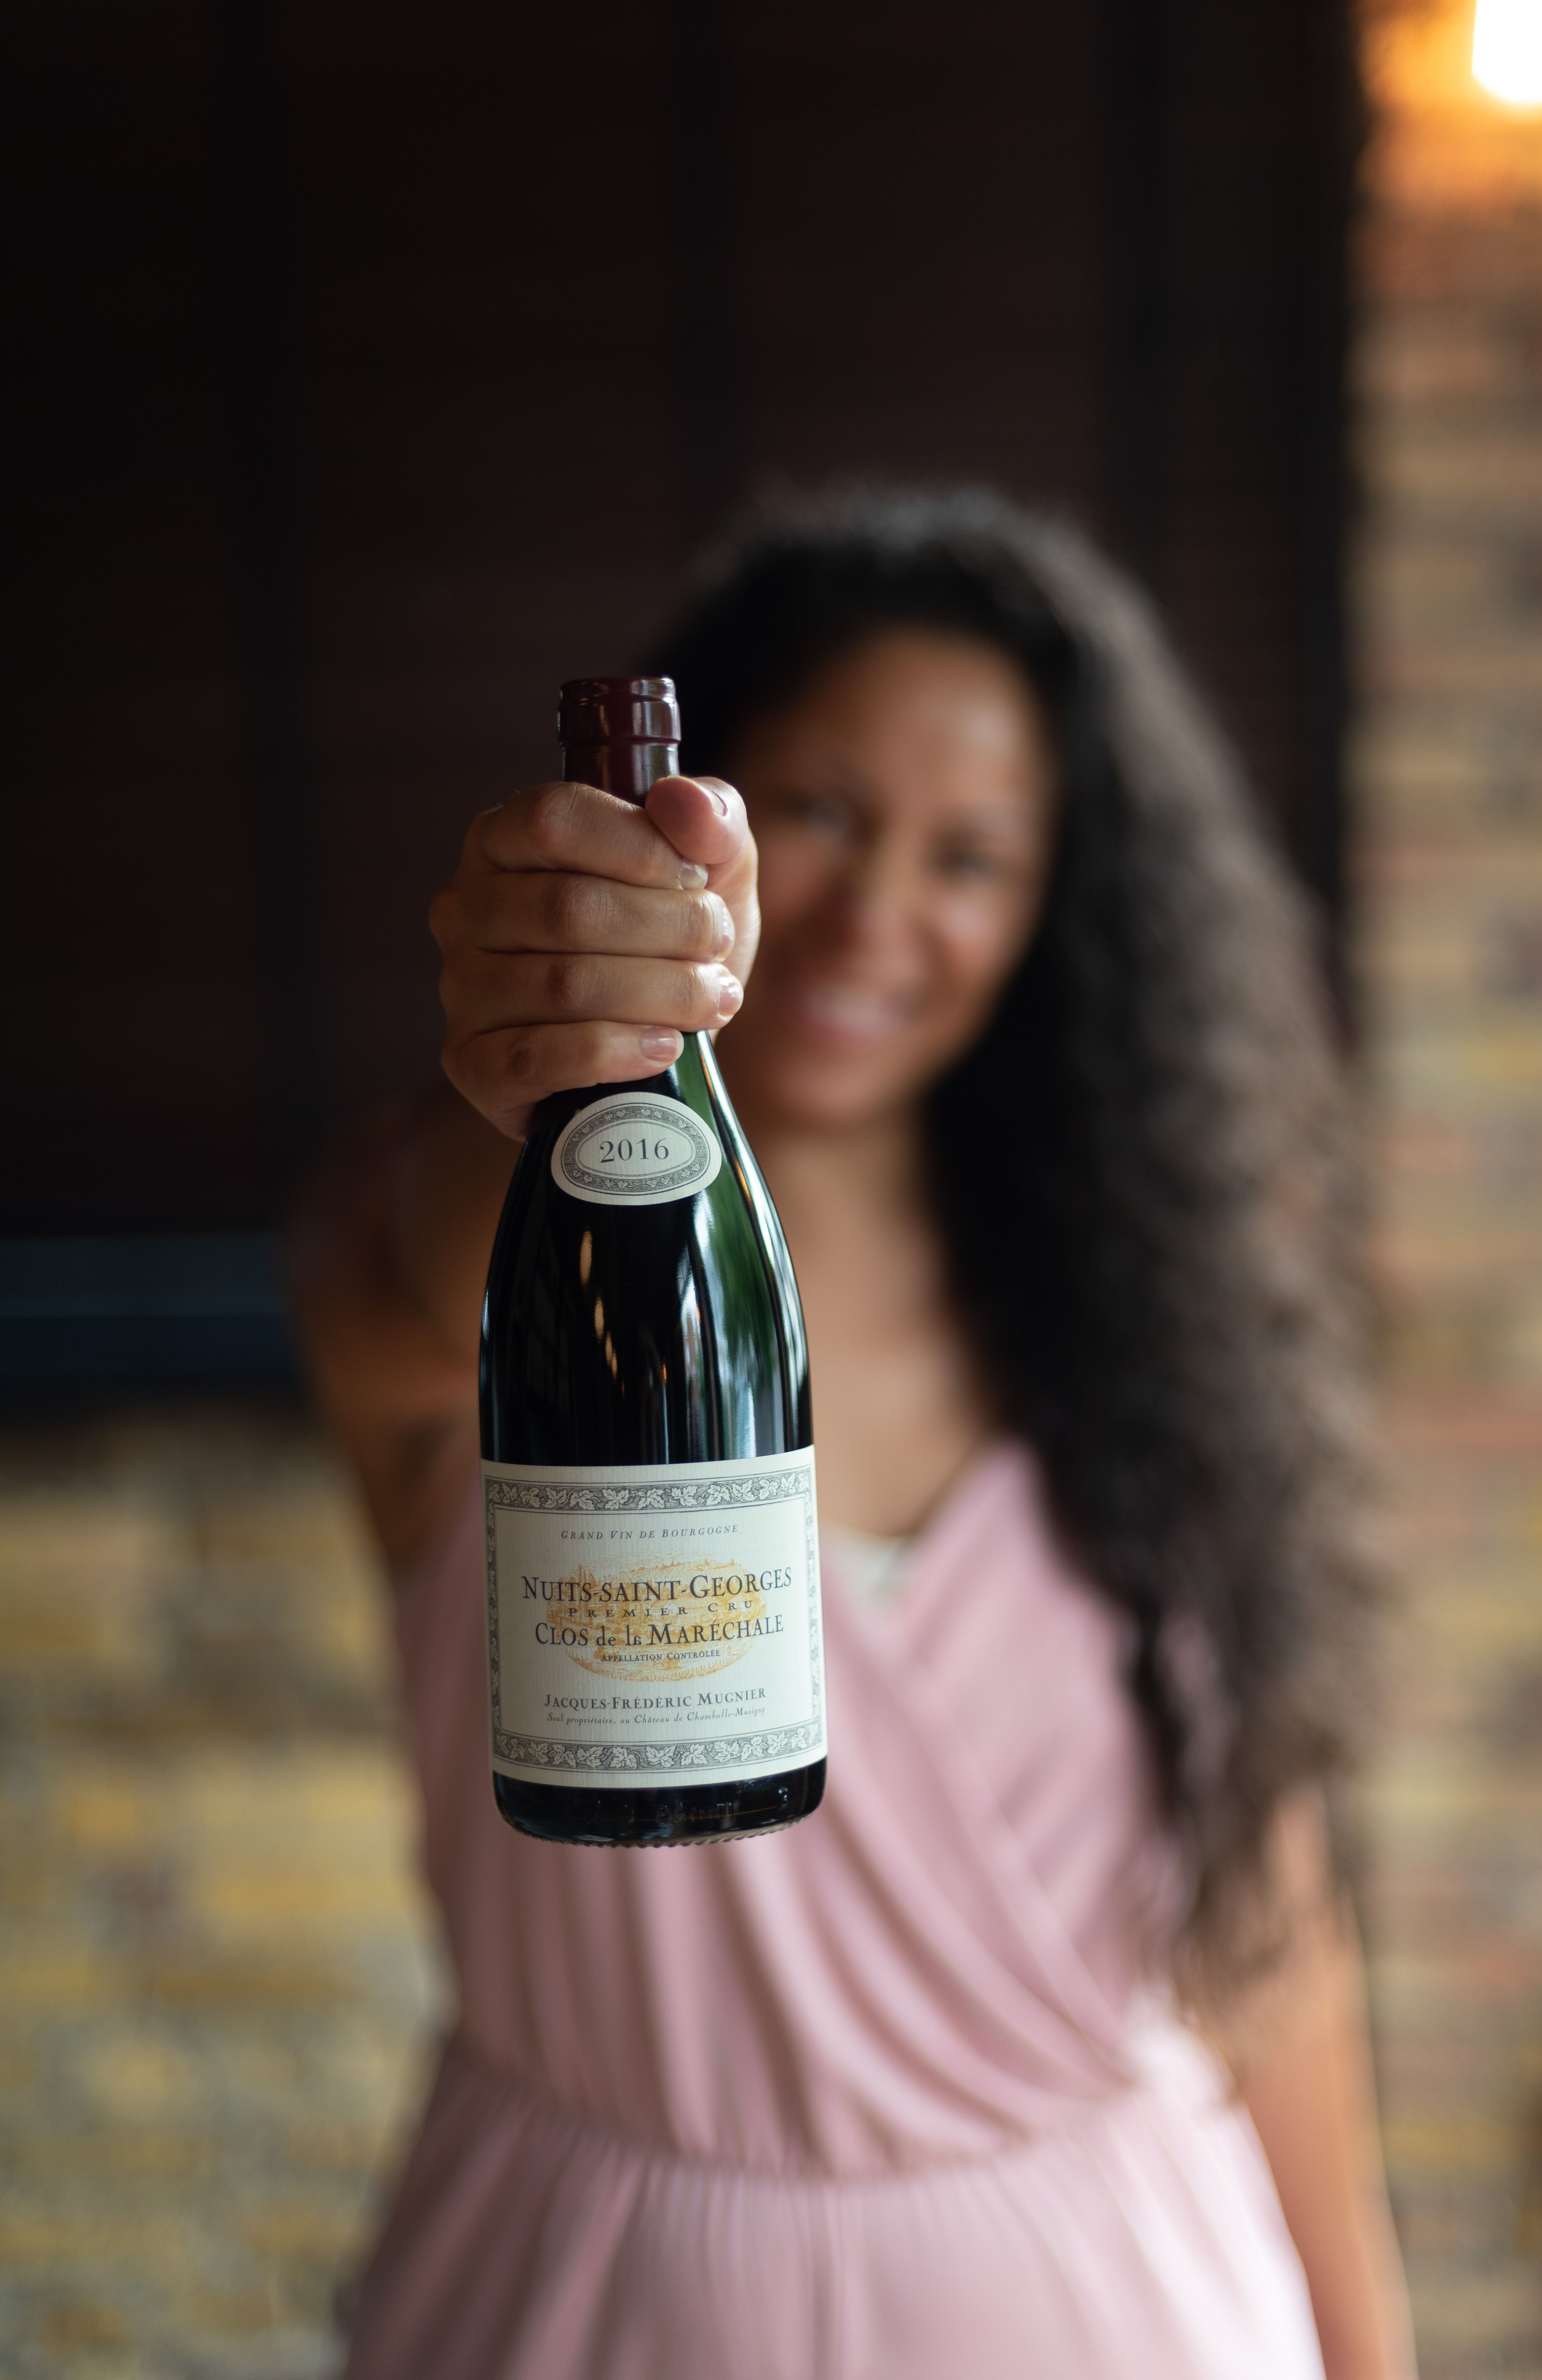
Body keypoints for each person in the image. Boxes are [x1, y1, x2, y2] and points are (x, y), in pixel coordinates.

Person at [292, 487, 1417, 2380]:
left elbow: (1264, 1934)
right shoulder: (492, 1237)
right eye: (817, 813)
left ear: (1062, 912)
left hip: (1138, 2301)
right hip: (593, 2314)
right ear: (696, 818)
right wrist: (518, 1077)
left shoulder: (1152, 1328)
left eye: (971, 857)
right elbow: (392, 1283)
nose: (879, 911)